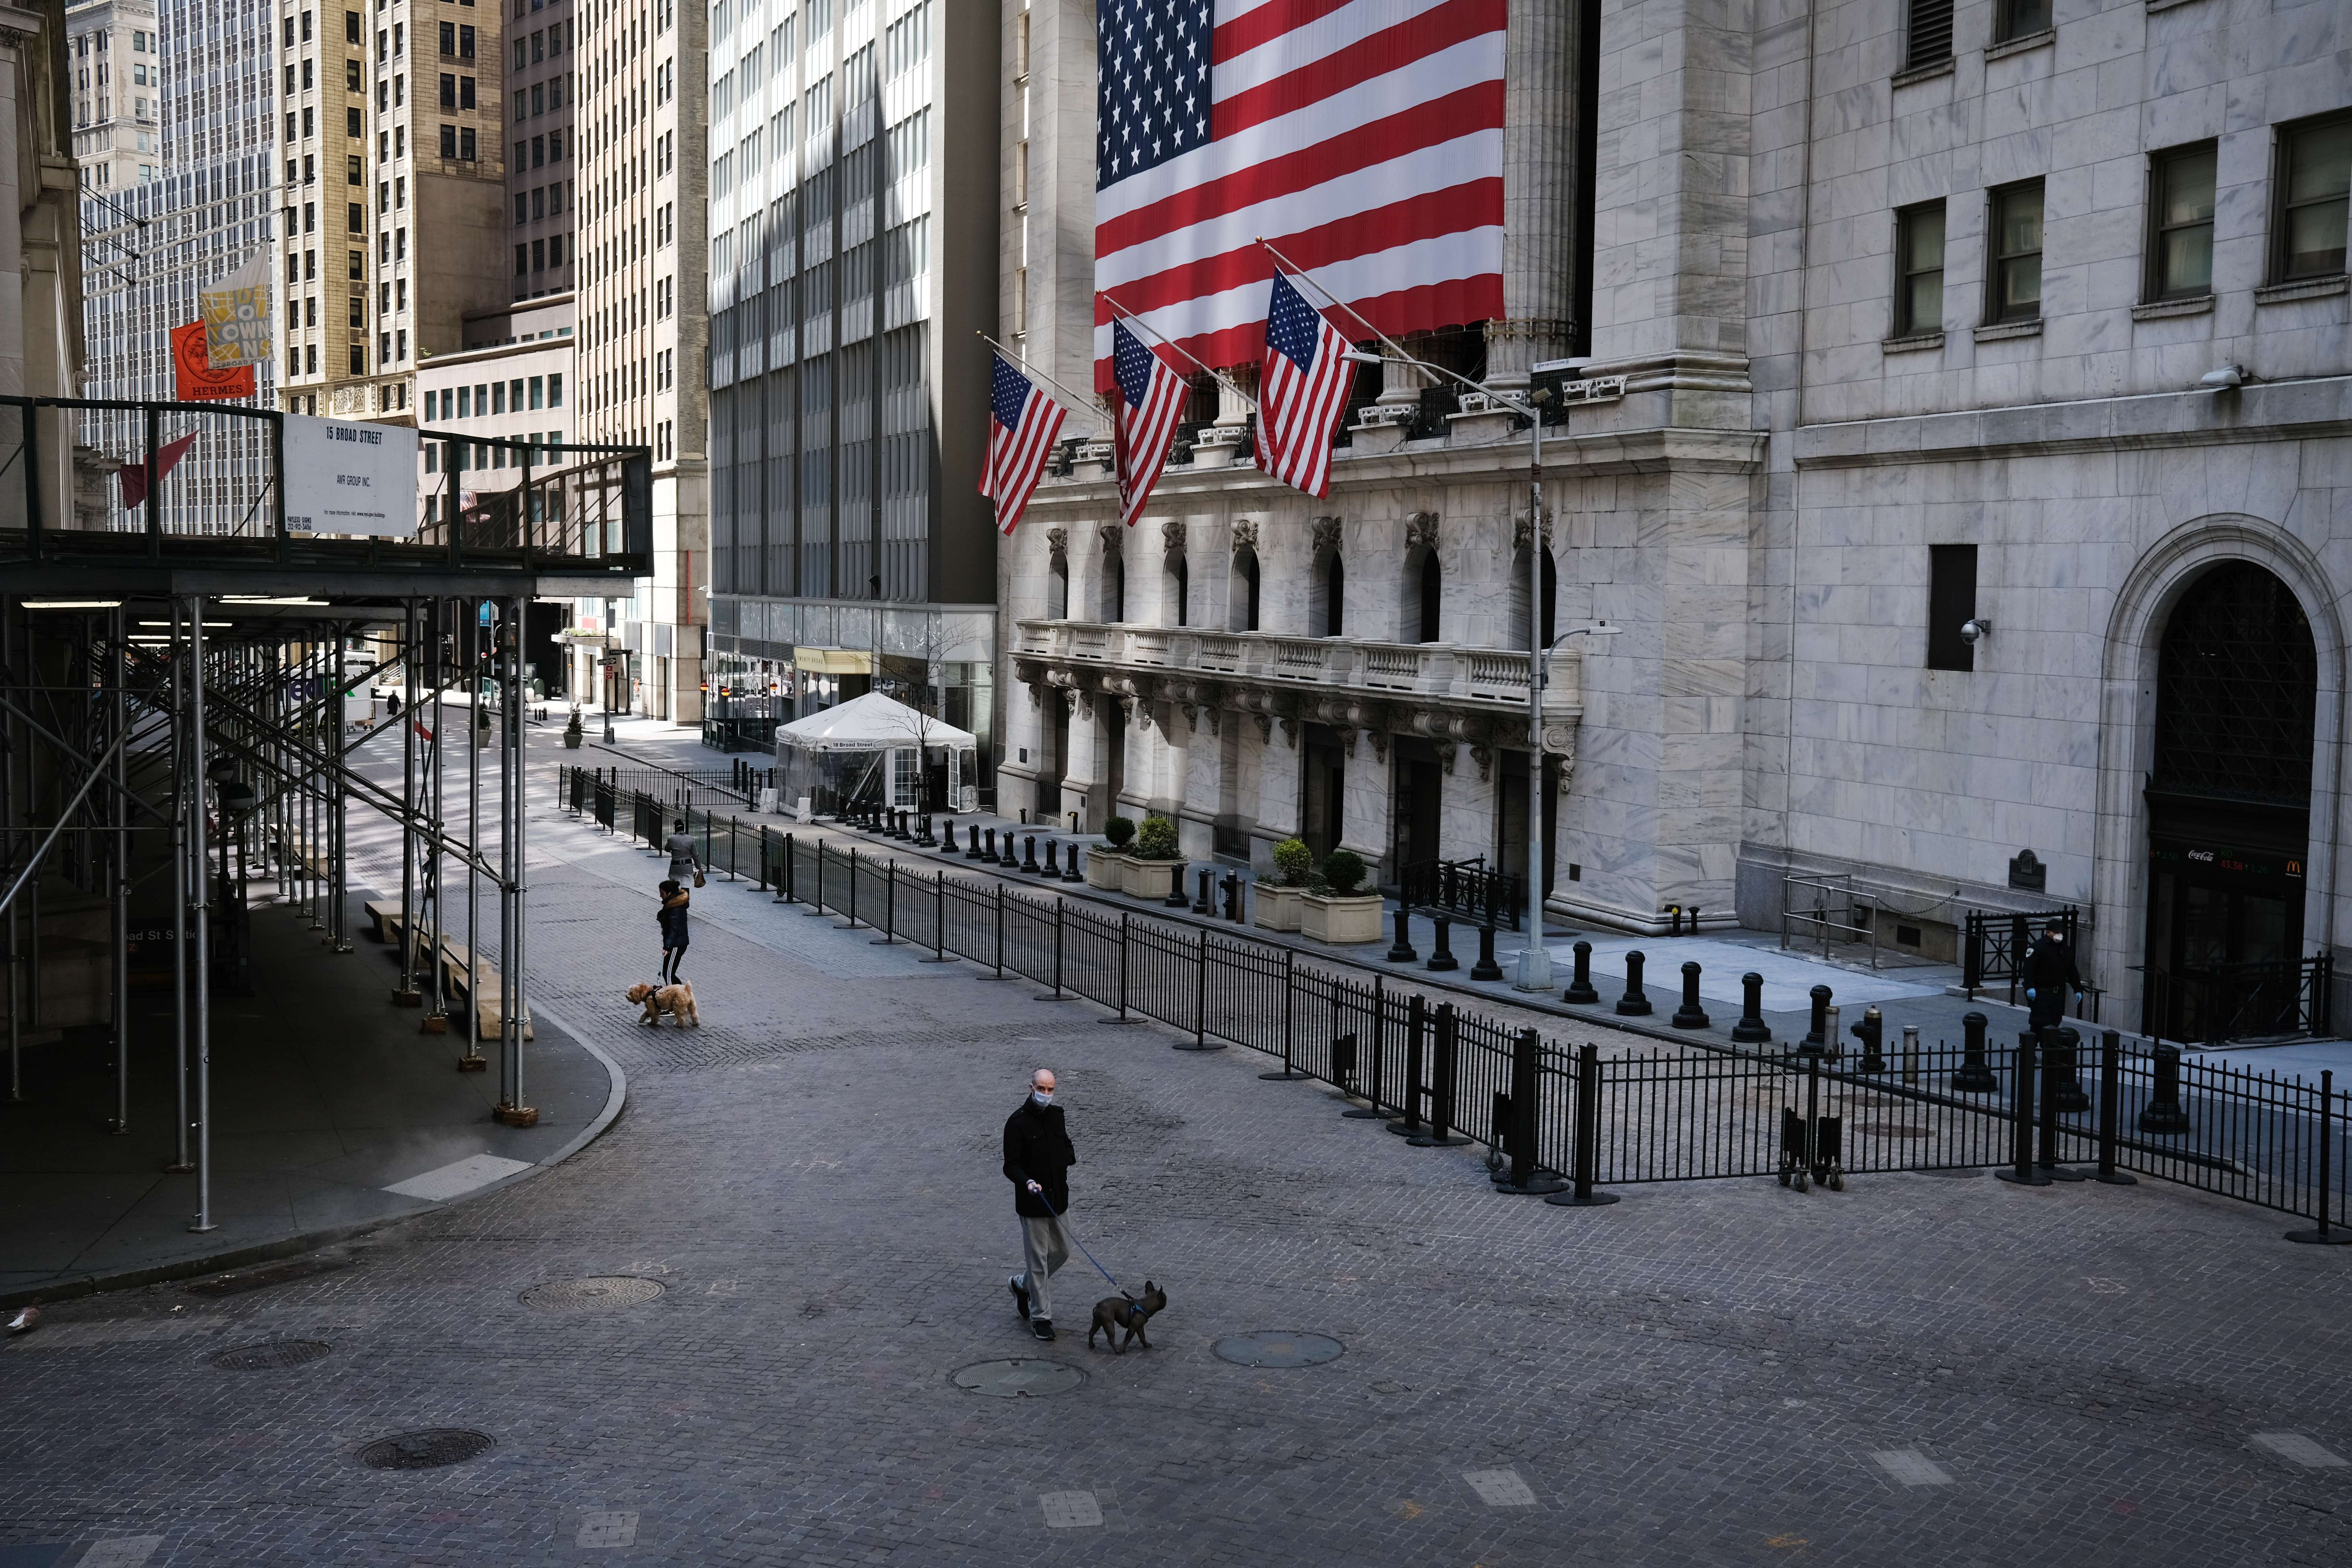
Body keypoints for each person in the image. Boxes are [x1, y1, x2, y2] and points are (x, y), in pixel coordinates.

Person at [1004, 1068, 1076, 1343]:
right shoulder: (1017, 1123)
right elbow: (1011, 1165)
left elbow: (1066, 1144)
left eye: (1050, 1089)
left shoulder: (1058, 1115)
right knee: (1038, 1263)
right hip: (1033, 1204)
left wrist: (1068, 1157)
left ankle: (1021, 1286)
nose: (1046, 1094)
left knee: (1062, 1252)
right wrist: (1027, 1182)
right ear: (1031, 1088)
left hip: (1059, 1200)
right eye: (1042, 1089)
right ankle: (1041, 1318)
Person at [2023, 924, 2081, 1032]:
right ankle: (2032, 1044)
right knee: (2039, 1021)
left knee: (2055, 1020)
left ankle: (2048, 1045)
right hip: (2042, 991)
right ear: (2048, 932)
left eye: (2060, 932)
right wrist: (2030, 987)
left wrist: (2078, 989)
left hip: (2058, 993)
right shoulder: (2038, 947)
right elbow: (2028, 969)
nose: (2059, 934)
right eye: (2056, 932)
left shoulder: (2065, 949)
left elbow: (2072, 970)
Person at [656, 879, 690, 985]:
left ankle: (674, 998)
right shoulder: (671, 905)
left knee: (669, 974)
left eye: (662, 894)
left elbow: (673, 929)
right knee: (667, 973)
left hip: (676, 945)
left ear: (669, 893)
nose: (661, 896)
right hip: (674, 944)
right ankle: (683, 994)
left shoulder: (675, 908)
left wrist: (667, 947)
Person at [665, 818, 702, 886]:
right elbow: (695, 855)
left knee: (674, 889)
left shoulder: (672, 839)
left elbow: (667, 849)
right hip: (687, 869)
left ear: (675, 828)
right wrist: (698, 867)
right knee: (685, 889)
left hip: (675, 868)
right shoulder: (691, 839)